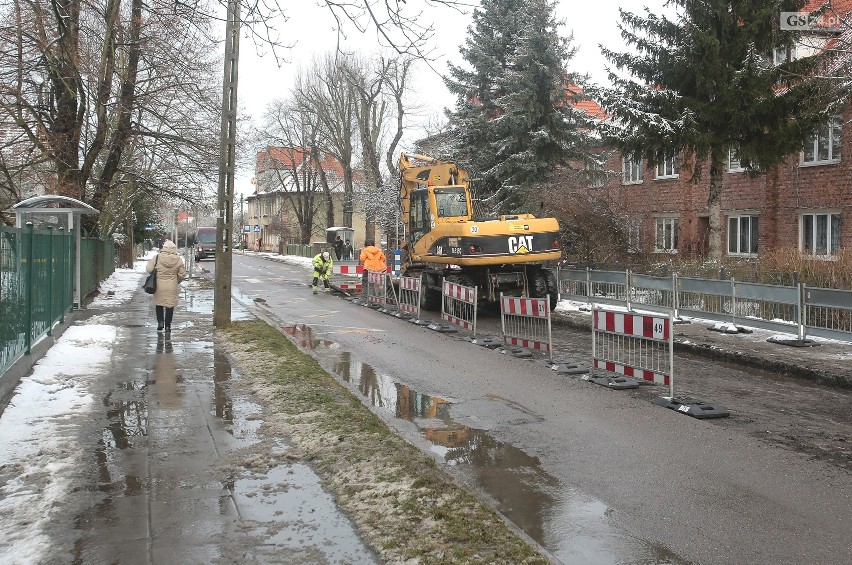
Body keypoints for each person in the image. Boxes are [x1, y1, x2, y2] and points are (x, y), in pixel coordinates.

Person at [146, 239, 186, 332]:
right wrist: (177, 281)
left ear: (164, 248)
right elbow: (181, 274)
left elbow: (149, 269)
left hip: (159, 285)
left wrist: (156, 273)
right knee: (170, 305)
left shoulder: (157, 258)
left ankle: (160, 322)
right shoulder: (178, 260)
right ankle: (168, 326)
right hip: (171, 285)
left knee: (159, 304)